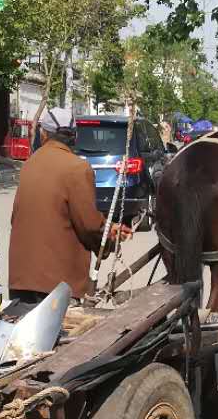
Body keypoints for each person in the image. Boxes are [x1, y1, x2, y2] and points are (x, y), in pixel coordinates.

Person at [7, 104, 131, 302]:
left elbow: (19, 217)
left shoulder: (29, 163)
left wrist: (109, 229)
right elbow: (89, 225)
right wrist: (109, 239)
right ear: (74, 136)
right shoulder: (78, 168)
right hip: (56, 285)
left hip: (21, 278)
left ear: (44, 134)